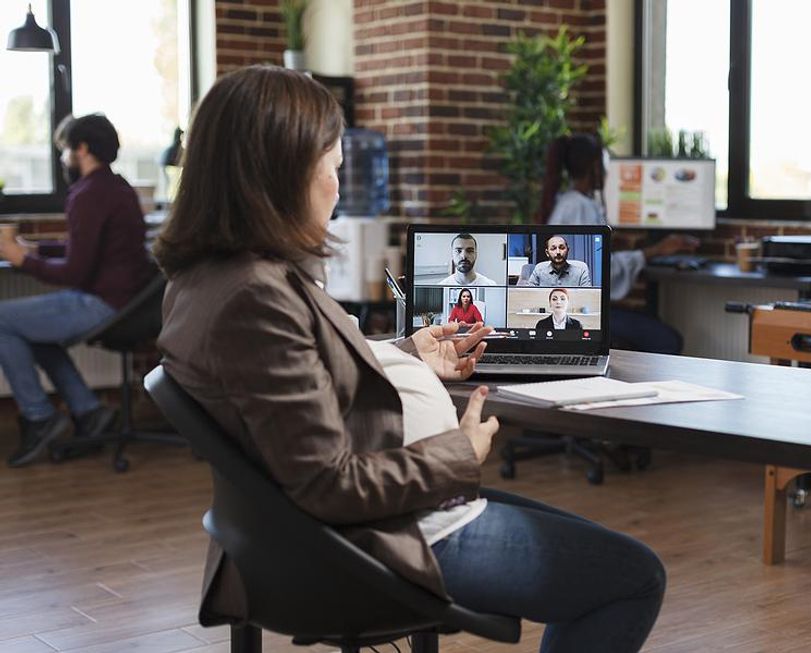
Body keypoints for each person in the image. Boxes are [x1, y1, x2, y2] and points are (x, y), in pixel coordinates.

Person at [153, 65, 665, 652]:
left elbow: (305, 378)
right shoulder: (254, 298)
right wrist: (458, 455)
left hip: (371, 517)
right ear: (281, 175)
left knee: (593, 545)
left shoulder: (212, 280)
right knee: (633, 576)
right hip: (381, 537)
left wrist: (406, 353)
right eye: (333, 170)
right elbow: (327, 481)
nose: (339, 188)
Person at [0, 113, 156, 467]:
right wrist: (38, 250)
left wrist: (21, 261)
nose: (62, 159)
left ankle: (39, 418)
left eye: (64, 150)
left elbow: (74, 271)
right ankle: (88, 411)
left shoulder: (87, 194)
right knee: (32, 332)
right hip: (128, 302)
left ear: (81, 149)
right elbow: (87, 249)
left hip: (102, 304)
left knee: (2, 320)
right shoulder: (116, 187)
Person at [541, 133, 699, 354]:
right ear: (596, 166)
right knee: (667, 340)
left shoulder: (570, 203)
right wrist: (654, 251)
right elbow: (603, 271)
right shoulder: (579, 208)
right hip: (581, 312)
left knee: (650, 321)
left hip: (578, 307)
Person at [527, 235, 592, 287]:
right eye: (553, 248)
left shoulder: (581, 272)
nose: (558, 252)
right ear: (547, 253)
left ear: (568, 250)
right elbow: (529, 295)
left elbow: (588, 297)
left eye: (562, 248)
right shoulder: (539, 270)